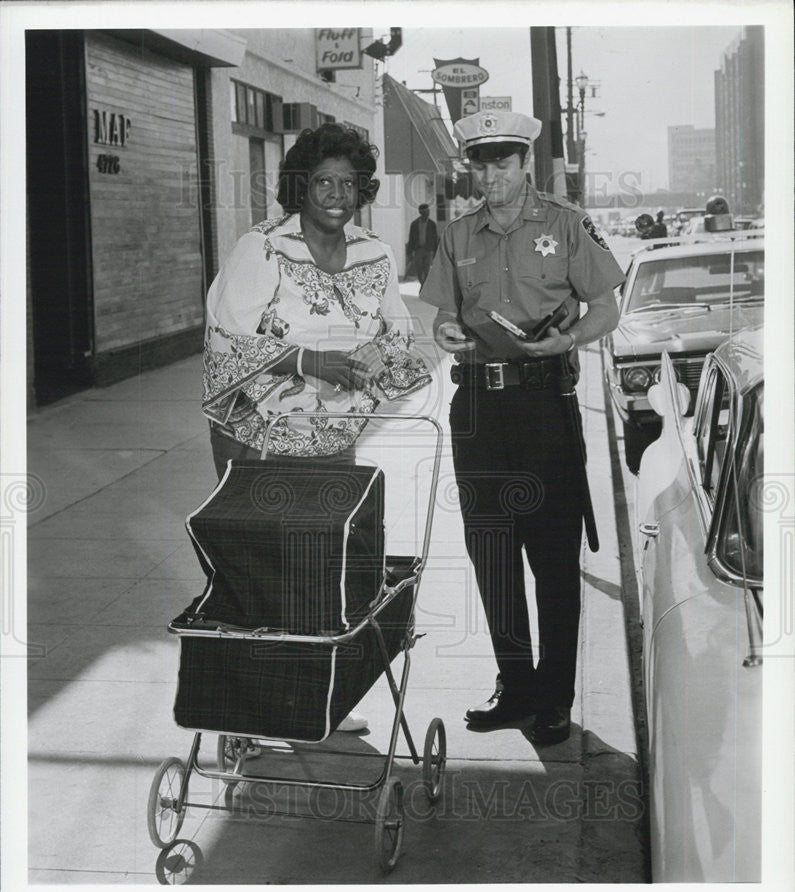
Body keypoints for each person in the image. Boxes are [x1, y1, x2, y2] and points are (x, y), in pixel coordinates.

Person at [201, 123, 431, 731]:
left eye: (348, 184)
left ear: (362, 192)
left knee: (322, 564)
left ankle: (313, 695)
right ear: (300, 186)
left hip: (334, 434)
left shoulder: (375, 254)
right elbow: (228, 338)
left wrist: (375, 361)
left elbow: (398, 332)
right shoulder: (264, 248)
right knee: (262, 570)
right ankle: (246, 715)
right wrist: (310, 361)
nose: (336, 194)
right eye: (323, 182)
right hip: (259, 438)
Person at [420, 110, 624, 745]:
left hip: (544, 407)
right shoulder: (456, 236)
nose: (492, 175)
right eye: (480, 164)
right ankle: (516, 685)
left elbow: (607, 309)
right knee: (493, 552)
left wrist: (564, 339)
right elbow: (442, 319)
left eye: (503, 163)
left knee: (553, 556)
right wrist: (447, 332)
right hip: (479, 410)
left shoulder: (565, 225)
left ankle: (555, 693)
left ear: (524, 163)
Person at [406, 203, 439, 286]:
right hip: (418, 249)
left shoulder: (432, 224)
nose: (427, 213)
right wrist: (409, 252)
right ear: (421, 212)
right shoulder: (414, 224)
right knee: (419, 270)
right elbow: (411, 238)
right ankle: (423, 284)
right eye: (425, 212)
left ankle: (425, 287)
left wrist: (437, 252)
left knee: (427, 270)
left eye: (428, 211)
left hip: (429, 250)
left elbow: (435, 238)